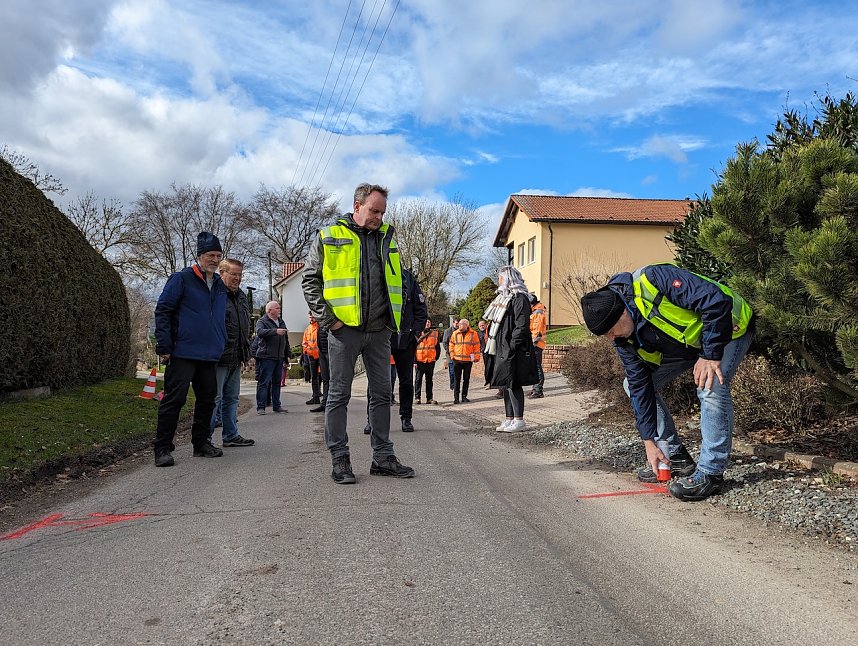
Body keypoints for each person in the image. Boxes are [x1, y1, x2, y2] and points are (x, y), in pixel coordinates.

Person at [580, 262, 754, 502]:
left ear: (622, 312)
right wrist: (649, 441)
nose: (611, 338)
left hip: (728, 327)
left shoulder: (655, 279)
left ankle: (711, 472)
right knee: (631, 386)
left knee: (710, 384)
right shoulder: (623, 339)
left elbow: (716, 301)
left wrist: (710, 355)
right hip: (688, 346)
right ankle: (675, 456)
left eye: (611, 331)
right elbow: (640, 385)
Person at [302, 182, 415, 484]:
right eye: (374, 210)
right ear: (357, 206)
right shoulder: (329, 236)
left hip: (379, 332)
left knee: (381, 394)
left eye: (382, 211)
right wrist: (331, 321)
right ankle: (340, 459)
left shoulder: (387, 239)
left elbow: (399, 281)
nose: (379, 216)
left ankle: (383, 457)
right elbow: (310, 281)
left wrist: (395, 317)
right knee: (338, 395)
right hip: (344, 331)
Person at [152, 231, 227, 467]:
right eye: (210, 255)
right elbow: (163, 311)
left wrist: (220, 342)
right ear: (200, 256)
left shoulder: (219, 285)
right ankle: (163, 448)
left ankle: (201, 444)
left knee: (207, 400)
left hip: (209, 353)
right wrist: (164, 345)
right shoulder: (181, 279)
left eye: (218, 255)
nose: (215, 260)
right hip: (183, 351)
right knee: (175, 399)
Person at [483, 266, 538, 433]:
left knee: (514, 383)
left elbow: (522, 325)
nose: (498, 281)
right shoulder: (504, 299)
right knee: (505, 384)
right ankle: (509, 418)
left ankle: (519, 419)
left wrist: (513, 344)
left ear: (507, 279)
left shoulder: (519, 298)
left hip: (514, 348)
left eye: (500, 278)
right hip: (502, 347)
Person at [208, 258, 255, 448]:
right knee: (214, 399)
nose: (237, 278)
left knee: (232, 398)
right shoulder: (214, 293)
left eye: (239, 275)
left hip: (236, 355)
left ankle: (230, 435)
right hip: (218, 356)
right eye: (233, 274)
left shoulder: (241, 296)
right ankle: (205, 439)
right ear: (222, 272)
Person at [255, 301, 289, 415]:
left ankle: (277, 406)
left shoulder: (281, 321)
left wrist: (287, 355)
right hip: (266, 357)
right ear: (270, 310)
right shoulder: (262, 321)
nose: (279, 310)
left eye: (279, 308)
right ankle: (261, 407)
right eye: (277, 308)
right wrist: (275, 331)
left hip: (279, 357)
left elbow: (285, 339)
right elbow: (259, 332)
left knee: (276, 382)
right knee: (264, 382)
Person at [449, 318, 481, 404]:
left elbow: (476, 346)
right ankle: (456, 398)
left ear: (466, 325)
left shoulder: (474, 334)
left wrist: (476, 357)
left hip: (468, 361)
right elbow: (451, 345)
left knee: (466, 379)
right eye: (459, 324)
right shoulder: (455, 333)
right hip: (457, 360)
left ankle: (464, 397)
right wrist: (452, 356)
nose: (459, 326)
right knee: (457, 380)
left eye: (461, 324)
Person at [414, 318, 441, 405]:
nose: (427, 323)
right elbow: (413, 348)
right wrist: (414, 361)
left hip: (430, 361)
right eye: (426, 322)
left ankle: (429, 398)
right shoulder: (417, 333)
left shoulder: (435, 333)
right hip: (419, 361)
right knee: (418, 380)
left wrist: (435, 358)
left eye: (429, 322)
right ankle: (417, 398)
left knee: (429, 380)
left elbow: (437, 347)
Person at [528, 295, 547, 398]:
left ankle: (538, 391)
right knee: (535, 367)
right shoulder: (536, 311)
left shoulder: (538, 312)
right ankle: (535, 389)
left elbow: (537, 330)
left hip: (536, 344)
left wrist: (533, 344)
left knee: (537, 367)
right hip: (536, 343)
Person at [303, 312, 322, 405]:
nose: (311, 319)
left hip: (321, 355)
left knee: (322, 376)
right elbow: (304, 343)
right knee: (314, 377)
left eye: (313, 317)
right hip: (312, 356)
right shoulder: (307, 329)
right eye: (310, 317)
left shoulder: (319, 327)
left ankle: (321, 395)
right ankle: (315, 396)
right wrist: (306, 352)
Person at [309, 326, 329, 413]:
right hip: (322, 351)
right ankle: (324, 404)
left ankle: (333, 404)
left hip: (332, 351)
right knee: (325, 379)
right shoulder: (319, 323)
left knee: (333, 380)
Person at [441, 317, 459, 390]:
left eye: (458, 323)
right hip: (450, 354)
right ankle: (452, 385)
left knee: (457, 371)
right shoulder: (448, 331)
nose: (457, 325)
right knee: (452, 371)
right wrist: (449, 351)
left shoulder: (460, 331)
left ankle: (456, 385)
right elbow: (445, 342)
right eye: (456, 323)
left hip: (459, 354)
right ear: (453, 323)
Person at [477, 319, 490, 389]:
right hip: (485, 353)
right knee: (487, 367)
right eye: (480, 326)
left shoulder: (490, 332)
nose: (482, 326)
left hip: (492, 351)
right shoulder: (478, 334)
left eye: (483, 325)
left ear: (486, 325)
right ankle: (487, 382)